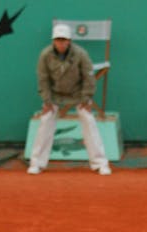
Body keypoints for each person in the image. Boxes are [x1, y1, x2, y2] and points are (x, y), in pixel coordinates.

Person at [27, 23, 111, 176]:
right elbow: (43, 79)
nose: (61, 43)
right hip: (55, 96)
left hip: (78, 95)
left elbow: (89, 77)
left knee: (89, 121)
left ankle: (100, 163)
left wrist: (87, 98)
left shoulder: (81, 54)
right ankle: (36, 163)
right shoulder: (45, 55)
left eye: (64, 40)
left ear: (69, 41)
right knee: (45, 121)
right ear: (53, 41)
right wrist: (47, 101)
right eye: (58, 39)